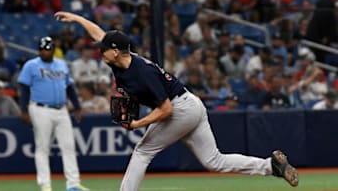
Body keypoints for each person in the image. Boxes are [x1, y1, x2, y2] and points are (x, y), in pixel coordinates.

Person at [54, 11, 299, 191]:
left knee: (142, 152)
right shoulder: (123, 58)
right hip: (191, 103)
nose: (100, 50)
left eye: (105, 49)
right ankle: (271, 166)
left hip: (178, 109)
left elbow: (166, 110)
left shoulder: (141, 74)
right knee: (214, 160)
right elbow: (100, 34)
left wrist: (138, 124)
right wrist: (77, 19)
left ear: (115, 51)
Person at [17, 36, 89, 191]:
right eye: (42, 49)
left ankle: (73, 184)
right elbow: (23, 89)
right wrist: (23, 110)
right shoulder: (31, 65)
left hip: (61, 109)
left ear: (53, 50)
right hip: (40, 109)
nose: (45, 52)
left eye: (48, 49)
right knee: (43, 147)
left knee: (68, 146)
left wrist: (76, 107)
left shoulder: (61, 64)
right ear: (39, 50)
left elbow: (69, 87)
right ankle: (45, 184)